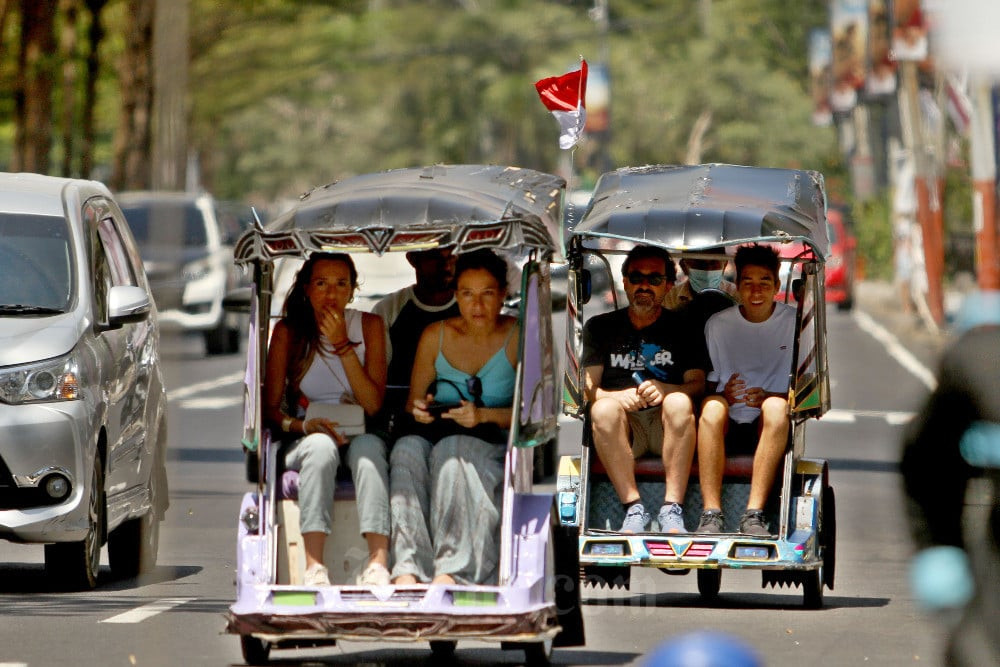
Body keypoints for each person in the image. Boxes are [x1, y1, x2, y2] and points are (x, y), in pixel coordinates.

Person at [390, 248, 518, 585]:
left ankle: (453, 569)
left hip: (491, 438)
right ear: (455, 296)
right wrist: (421, 411)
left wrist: (483, 416)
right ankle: (408, 566)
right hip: (437, 432)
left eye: (487, 294)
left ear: (503, 295)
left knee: (453, 451)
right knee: (405, 449)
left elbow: (530, 413)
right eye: (467, 294)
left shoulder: (517, 335)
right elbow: (412, 404)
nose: (477, 305)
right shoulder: (435, 334)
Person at [263, 252, 389, 587]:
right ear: (306, 289)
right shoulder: (289, 333)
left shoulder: (370, 326)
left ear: (352, 290)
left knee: (370, 453)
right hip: (305, 434)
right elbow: (273, 410)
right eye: (321, 284)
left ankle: (378, 562)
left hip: (359, 428)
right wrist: (305, 426)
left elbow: (374, 404)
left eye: (340, 284)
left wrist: (342, 346)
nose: (330, 294)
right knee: (320, 449)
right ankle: (314, 565)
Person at [900, 290, 1000, 666]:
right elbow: (927, 453)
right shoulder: (979, 361)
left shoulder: (975, 356)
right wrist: (942, 547)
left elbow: (924, 455)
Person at [581, 245, 708, 535]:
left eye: (654, 280)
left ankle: (672, 509)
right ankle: (633, 507)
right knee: (602, 408)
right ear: (624, 281)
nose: (644, 286)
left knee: (678, 402)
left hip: (667, 426)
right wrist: (616, 397)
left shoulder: (684, 327)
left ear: (667, 285)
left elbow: (697, 383)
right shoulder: (600, 327)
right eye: (637, 277)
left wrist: (667, 389)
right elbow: (589, 387)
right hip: (624, 428)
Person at [695, 243, 794, 536]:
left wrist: (770, 397)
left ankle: (754, 513)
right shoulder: (718, 325)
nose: (756, 291)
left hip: (770, 423)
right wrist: (723, 396)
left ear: (776, 285)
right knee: (711, 408)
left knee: (776, 408)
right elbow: (709, 384)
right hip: (727, 420)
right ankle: (711, 513)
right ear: (736, 286)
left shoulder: (793, 323)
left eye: (764, 283)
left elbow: (806, 387)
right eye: (748, 283)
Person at [371, 247, 459, 442]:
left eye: (451, 255)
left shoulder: (470, 306)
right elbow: (375, 379)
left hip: (461, 422)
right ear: (413, 259)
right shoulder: (388, 309)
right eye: (435, 257)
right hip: (401, 423)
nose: (446, 264)